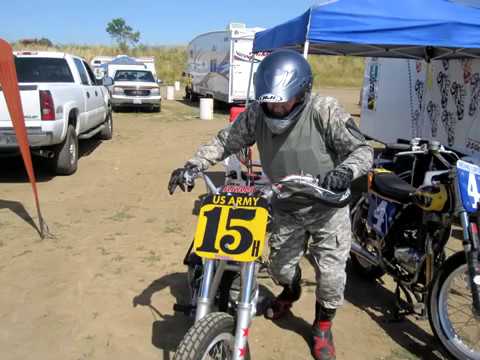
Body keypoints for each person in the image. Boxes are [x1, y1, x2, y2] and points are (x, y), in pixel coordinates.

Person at [168, 49, 373, 360]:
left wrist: (344, 171)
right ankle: (290, 292)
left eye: (282, 100)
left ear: (302, 91)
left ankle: (322, 326)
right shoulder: (257, 114)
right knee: (279, 269)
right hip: (286, 205)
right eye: (269, 100)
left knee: (331, 278)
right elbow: (225, 141)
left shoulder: (323, 110)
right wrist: (192, 164)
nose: (275, 107)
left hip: (327, 208)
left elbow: (362, 150)